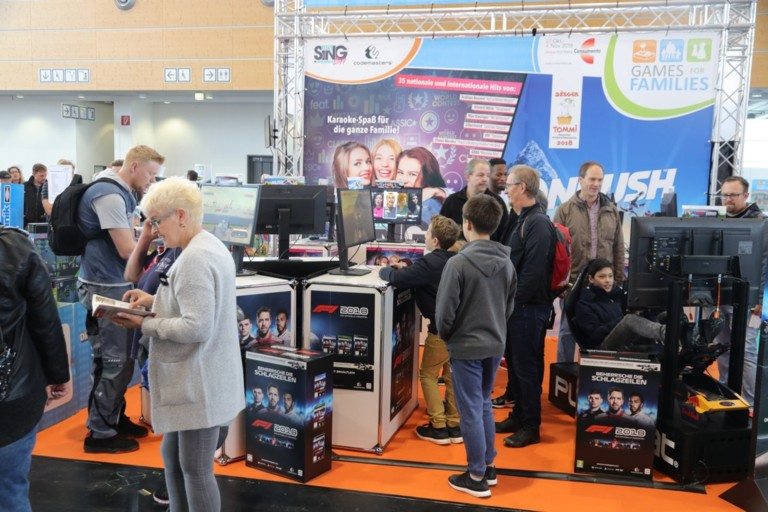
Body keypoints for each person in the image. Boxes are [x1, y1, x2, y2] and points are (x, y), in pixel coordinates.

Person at [113, 176, 244, 512]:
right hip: (198, 380)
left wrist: (144, 323)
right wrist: (153, 300)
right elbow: (195, 305)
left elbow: (196, 326)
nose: (155, 230)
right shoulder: (207, 246)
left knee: (196, 471)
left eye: (158, 221)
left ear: (181, 215)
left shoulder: (194, 258)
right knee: (173, 459)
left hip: (198, 383)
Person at [77, 145, 163, 454]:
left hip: (112, 283)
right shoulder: (110, 195)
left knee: (120, 360)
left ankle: (112, 418)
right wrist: (151, 238)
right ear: (135, 166)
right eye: (150, 174)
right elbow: (127, 250)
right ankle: (100, 433)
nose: (151, 181)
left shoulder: (119, 190)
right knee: (113, 361)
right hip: (105, 287)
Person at [435, 194, 516, 498]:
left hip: (466, 347)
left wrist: (449, 337)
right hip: (494, 343)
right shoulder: (507, 263)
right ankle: (488, 466)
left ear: (466, 223)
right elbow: (508, 307)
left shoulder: (457, 264)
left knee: (470, 408)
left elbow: (444, 314)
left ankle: (476, 475)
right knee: (482, 404)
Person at [0, 226, 70, 511]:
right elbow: (45, 321)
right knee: (10, 491)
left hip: (13, 394)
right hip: (12, 396)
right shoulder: (15, 248)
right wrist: (57, 375)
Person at [380, 215, 461, 445]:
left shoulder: (430, 263)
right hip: (460, 329)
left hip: (441, 331)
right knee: (451, 375)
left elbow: (396, 278)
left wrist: (384, 270)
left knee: (427, 375)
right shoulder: (455, 259)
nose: (424, 236)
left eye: (427, 233)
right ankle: (454, 424)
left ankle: (439, 427)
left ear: (435, 241)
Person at [495, 165, 554, 448]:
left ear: (522, 187)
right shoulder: (522, 219)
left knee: (526, 368)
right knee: (518, 367)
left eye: (510, 185)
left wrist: (513, 304)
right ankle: (519, 416)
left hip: (528, 309)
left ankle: (531, 425)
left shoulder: (537, 223)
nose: (506, 189)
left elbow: (533, 272)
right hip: (518, 308)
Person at [554, 161, 624, 363]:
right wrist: (560, 284)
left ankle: (593, 374)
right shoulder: (565, 210)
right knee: (567, 332)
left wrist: (617, 279)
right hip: (573, 284)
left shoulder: (611, 210)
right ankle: (564, 372)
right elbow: (556, 251)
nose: (596, 184)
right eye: (592, 179)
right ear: (580, 180)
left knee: (602, 331)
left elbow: (618, 247)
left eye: (600, 180)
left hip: (603, 285)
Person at [710, 176, 767, 406]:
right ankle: (725, 394)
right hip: (720, 296)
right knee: (721, 349)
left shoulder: (760, 223)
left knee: (746, 353)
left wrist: (759, 299)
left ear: (746, 196)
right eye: (724, 195)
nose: (728, 199)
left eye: (733, 195)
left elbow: (764, 264)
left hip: (748, 299)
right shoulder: (718, 219)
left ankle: (751, 405)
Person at [573, 258, 668, 352]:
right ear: (591, 279)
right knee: (629, 320)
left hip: (625, 341)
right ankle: (666, 333)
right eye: (602, 277)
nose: (608, 280)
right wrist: (621, 321)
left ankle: (674, 334)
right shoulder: (584, 304)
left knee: (662, 315)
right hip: (601, 347)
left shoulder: (616, 295)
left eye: (610, 276)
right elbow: (595, 335)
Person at [440, 158, 508, 242]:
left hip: (488, 250)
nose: (485, 179)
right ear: (468, 176)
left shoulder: (497, 202)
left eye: (487, 175)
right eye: (480, 175)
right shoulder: (452, 201)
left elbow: (504, 235)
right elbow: (441, 232)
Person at [395, 147, 448, 228]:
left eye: (412, 174)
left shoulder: (427, 206)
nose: (404, 180)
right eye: (400, 172)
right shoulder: (403, 198)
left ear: (428, 176)